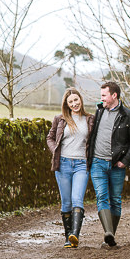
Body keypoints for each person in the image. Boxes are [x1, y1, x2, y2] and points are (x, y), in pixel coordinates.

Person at [86, 81, 130, 247]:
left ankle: (110, 237)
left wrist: (125, 161)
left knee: (115, 200)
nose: (101, 98)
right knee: (101, 197)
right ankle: (108, 233)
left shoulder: (129, 116)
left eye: (104, 95)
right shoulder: (99, 112)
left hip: (116, 166)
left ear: (114, 95)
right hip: (97, 163)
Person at [46, 88, 94, 248]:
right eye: (71, 102)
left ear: (81, 99)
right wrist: (55, 151)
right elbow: (50, 138)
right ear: (66, 104)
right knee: (66, 202)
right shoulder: (60, 119)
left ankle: (75, 234)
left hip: (81, 164)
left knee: (77, 199)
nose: (74, 104)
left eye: (76, 100)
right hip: (63, 164)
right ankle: (68, 238)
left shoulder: (90, 119)